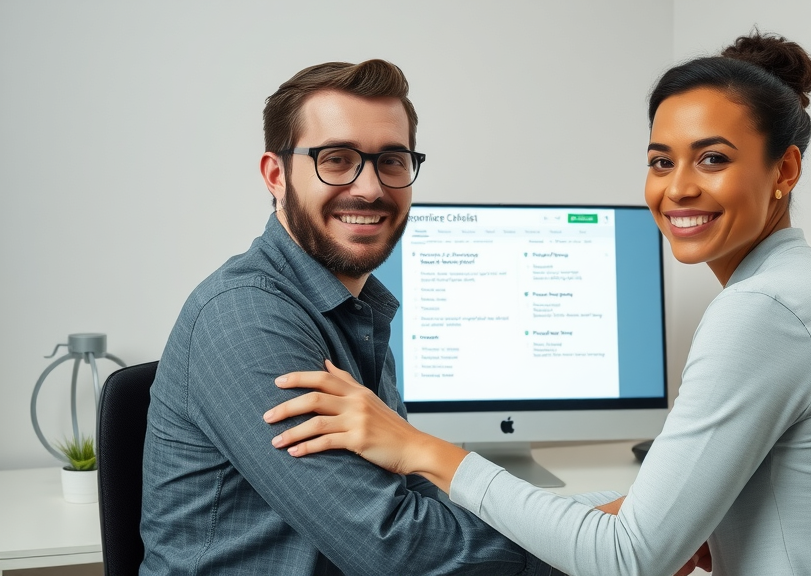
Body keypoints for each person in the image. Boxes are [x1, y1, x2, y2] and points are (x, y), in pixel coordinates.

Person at [263, 33, 811, 576]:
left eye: (712, 158)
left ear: (785, 169)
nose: (679, 186)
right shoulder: (798, 285)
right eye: (662, 161)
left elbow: (626, 558)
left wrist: (423, 449)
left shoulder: (763, 308)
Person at [141, 59, 561, 575]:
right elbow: (395, 547)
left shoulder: (353, 309)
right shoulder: (246, 318)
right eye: (336, 160)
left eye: (391, 161)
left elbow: (416, 493)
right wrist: (588, 543)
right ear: (276, 175)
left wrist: (584, 522)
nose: (370, 188)